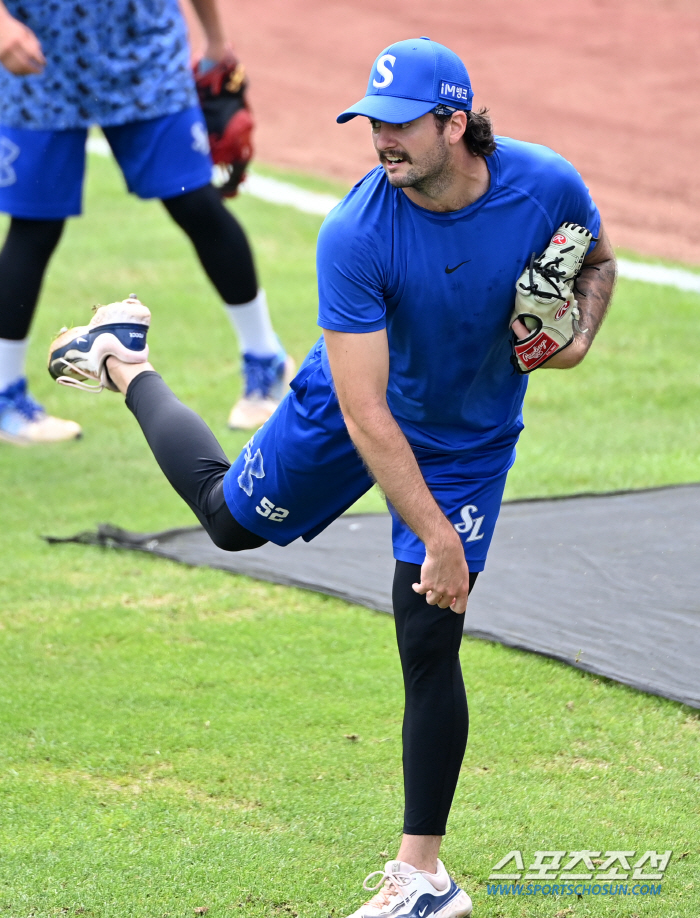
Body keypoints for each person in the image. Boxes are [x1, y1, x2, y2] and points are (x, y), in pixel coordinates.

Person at [47, 37, 616, 918]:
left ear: (453, 123)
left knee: (430, 631)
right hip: (354, 410)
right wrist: (434, 533)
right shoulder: (358, 230)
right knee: (228, 520)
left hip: (467, 438)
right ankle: (123, 360)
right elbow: (366, 416)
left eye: (398, 125)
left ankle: (423, 877)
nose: (379, 141)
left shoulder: (548, 187)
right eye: (371, 123)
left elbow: (600, 265)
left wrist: (573, 341)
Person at [0, 0, 291, 445]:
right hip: (38, 57)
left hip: (142, 53)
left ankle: (266, 359)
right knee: (34, 227)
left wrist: (215, 39)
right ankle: (4, 395)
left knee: (195, 204)